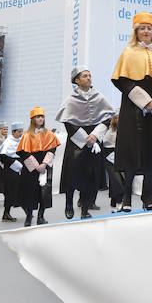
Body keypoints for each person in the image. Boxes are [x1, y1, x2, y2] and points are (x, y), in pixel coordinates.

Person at [112, 13, 152, 212]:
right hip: (134, 110)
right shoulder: (128, 53)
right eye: (142, 28)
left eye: (149, 28)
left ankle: (149, 197)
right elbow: (124, 81)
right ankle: (126, 198)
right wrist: (145, 102)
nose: (146, 32)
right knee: (133, 155)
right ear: (136, 31)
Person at [57, 68, 115, 219]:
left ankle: (85, 209)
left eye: (89, 75)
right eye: (85, 76)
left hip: (95, 140)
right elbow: (68, 123)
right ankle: (69, 205)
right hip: (77, 142)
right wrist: (84, 139)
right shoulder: (70, 99)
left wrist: (95, 135)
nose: (88, 78)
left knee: (90, 176)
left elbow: (107, 119)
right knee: (72, 175)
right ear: (76, 80)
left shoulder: (99, 96)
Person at [16, 107, 60, 226]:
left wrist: (44, 164)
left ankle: (41, 216)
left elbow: (52, 149)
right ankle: (29, 216)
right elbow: (24, 152)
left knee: (44, 192)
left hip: (45, 165)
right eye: (38, 117)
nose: (40, 119)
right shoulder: (26, 135)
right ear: (33, 119)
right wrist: (36, 166)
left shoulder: (49, 134)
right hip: (31, 167)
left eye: (42, 117)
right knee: (30, 191)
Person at [0, 122, 24, 222]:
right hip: (11, 170)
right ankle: (6, 213)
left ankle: (26, 211)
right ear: (13, 132)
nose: (21, 133)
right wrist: (15, 164)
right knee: (10, 192)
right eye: (19, 131)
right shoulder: (8, 142)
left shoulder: (21, 141)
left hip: (20, 169)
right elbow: (3, 157)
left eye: (22, 131)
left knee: (21, 190)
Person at [101, 115, 125, 212]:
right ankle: (119, 201)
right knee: (116, 180)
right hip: (109, 157)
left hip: (121, 156)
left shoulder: (125, 130)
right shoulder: (108, 131)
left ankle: (114, 202)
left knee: (118, 180)